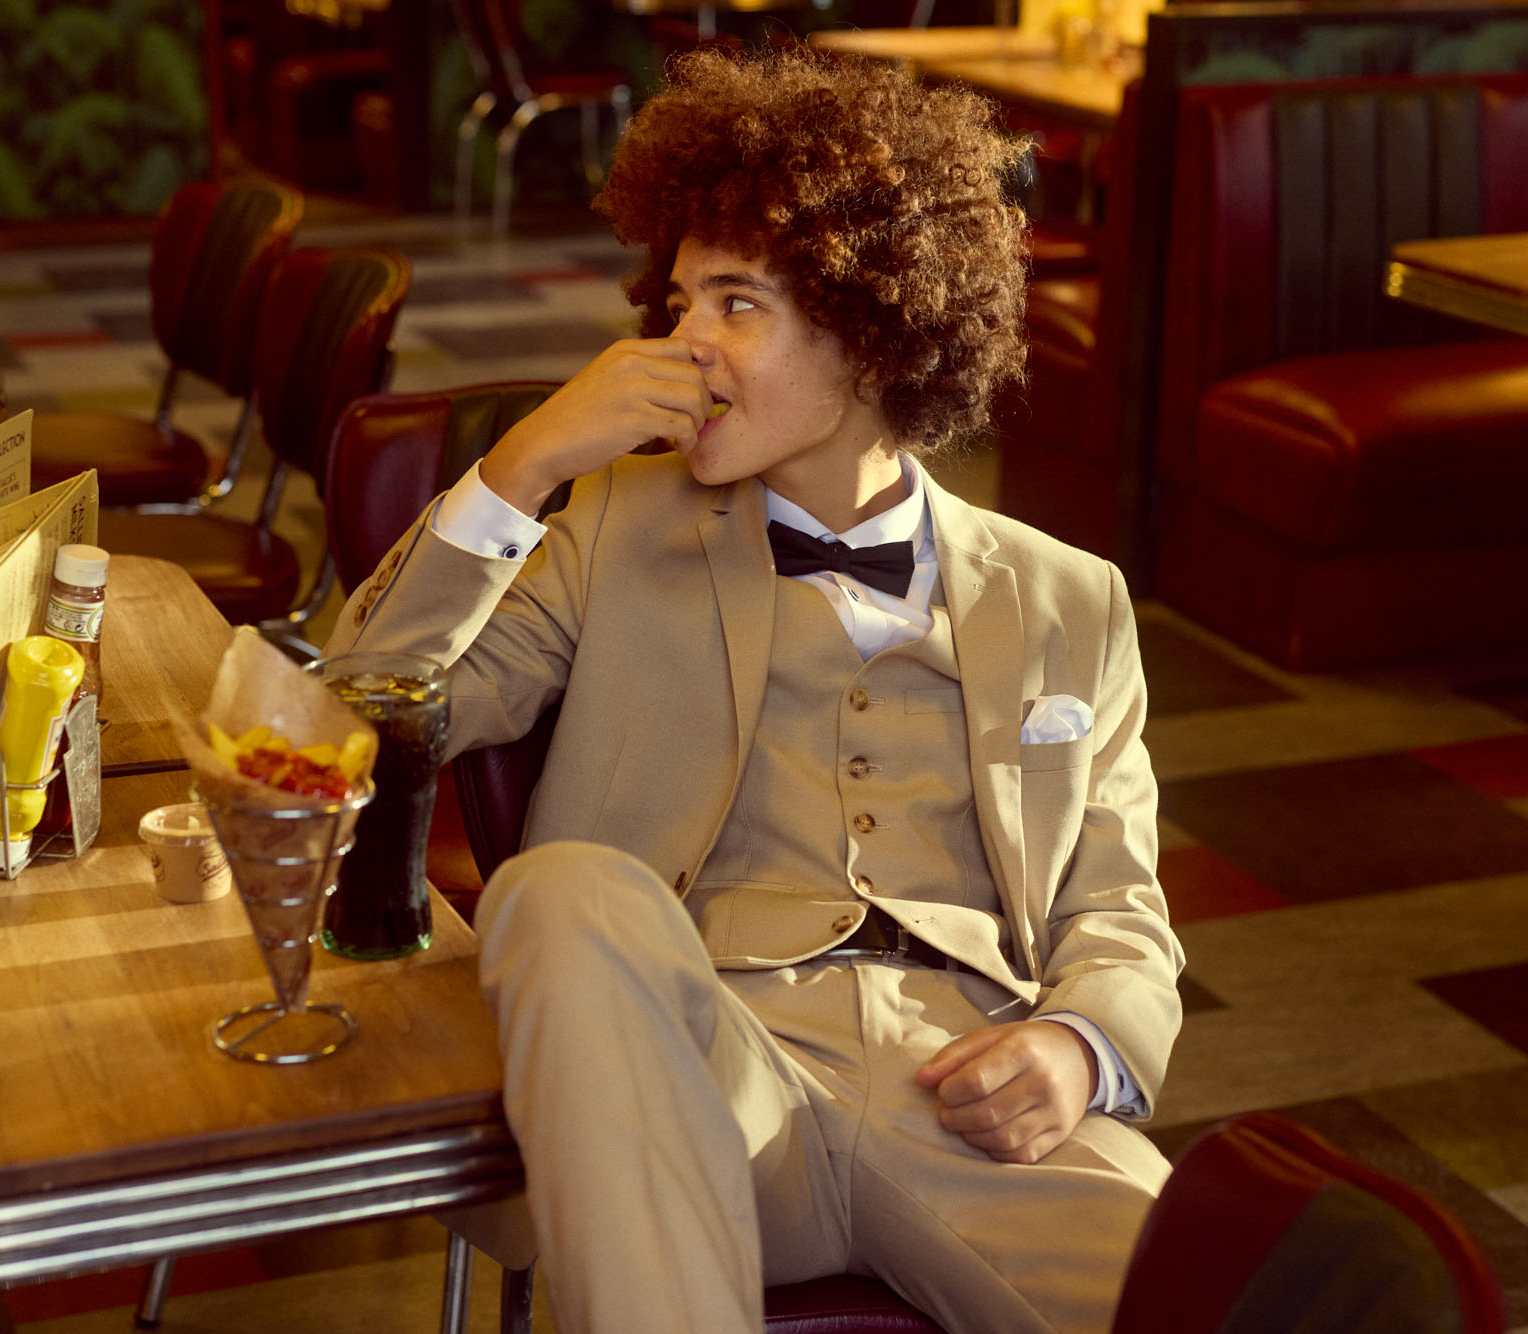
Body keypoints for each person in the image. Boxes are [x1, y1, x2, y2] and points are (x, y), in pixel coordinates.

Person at [325, 46, 1183, 1334]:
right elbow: (349, 711)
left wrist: (1079, 1049)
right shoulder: (612, 528)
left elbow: (1119, 910)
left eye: (736, 302)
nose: (685, 345)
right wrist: (529, 459)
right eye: (675, 304)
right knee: (564, 889)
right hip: (690, 1070)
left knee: (1229, 1293)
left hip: (969, 1092)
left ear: (871, 317)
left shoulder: (1073, 597)